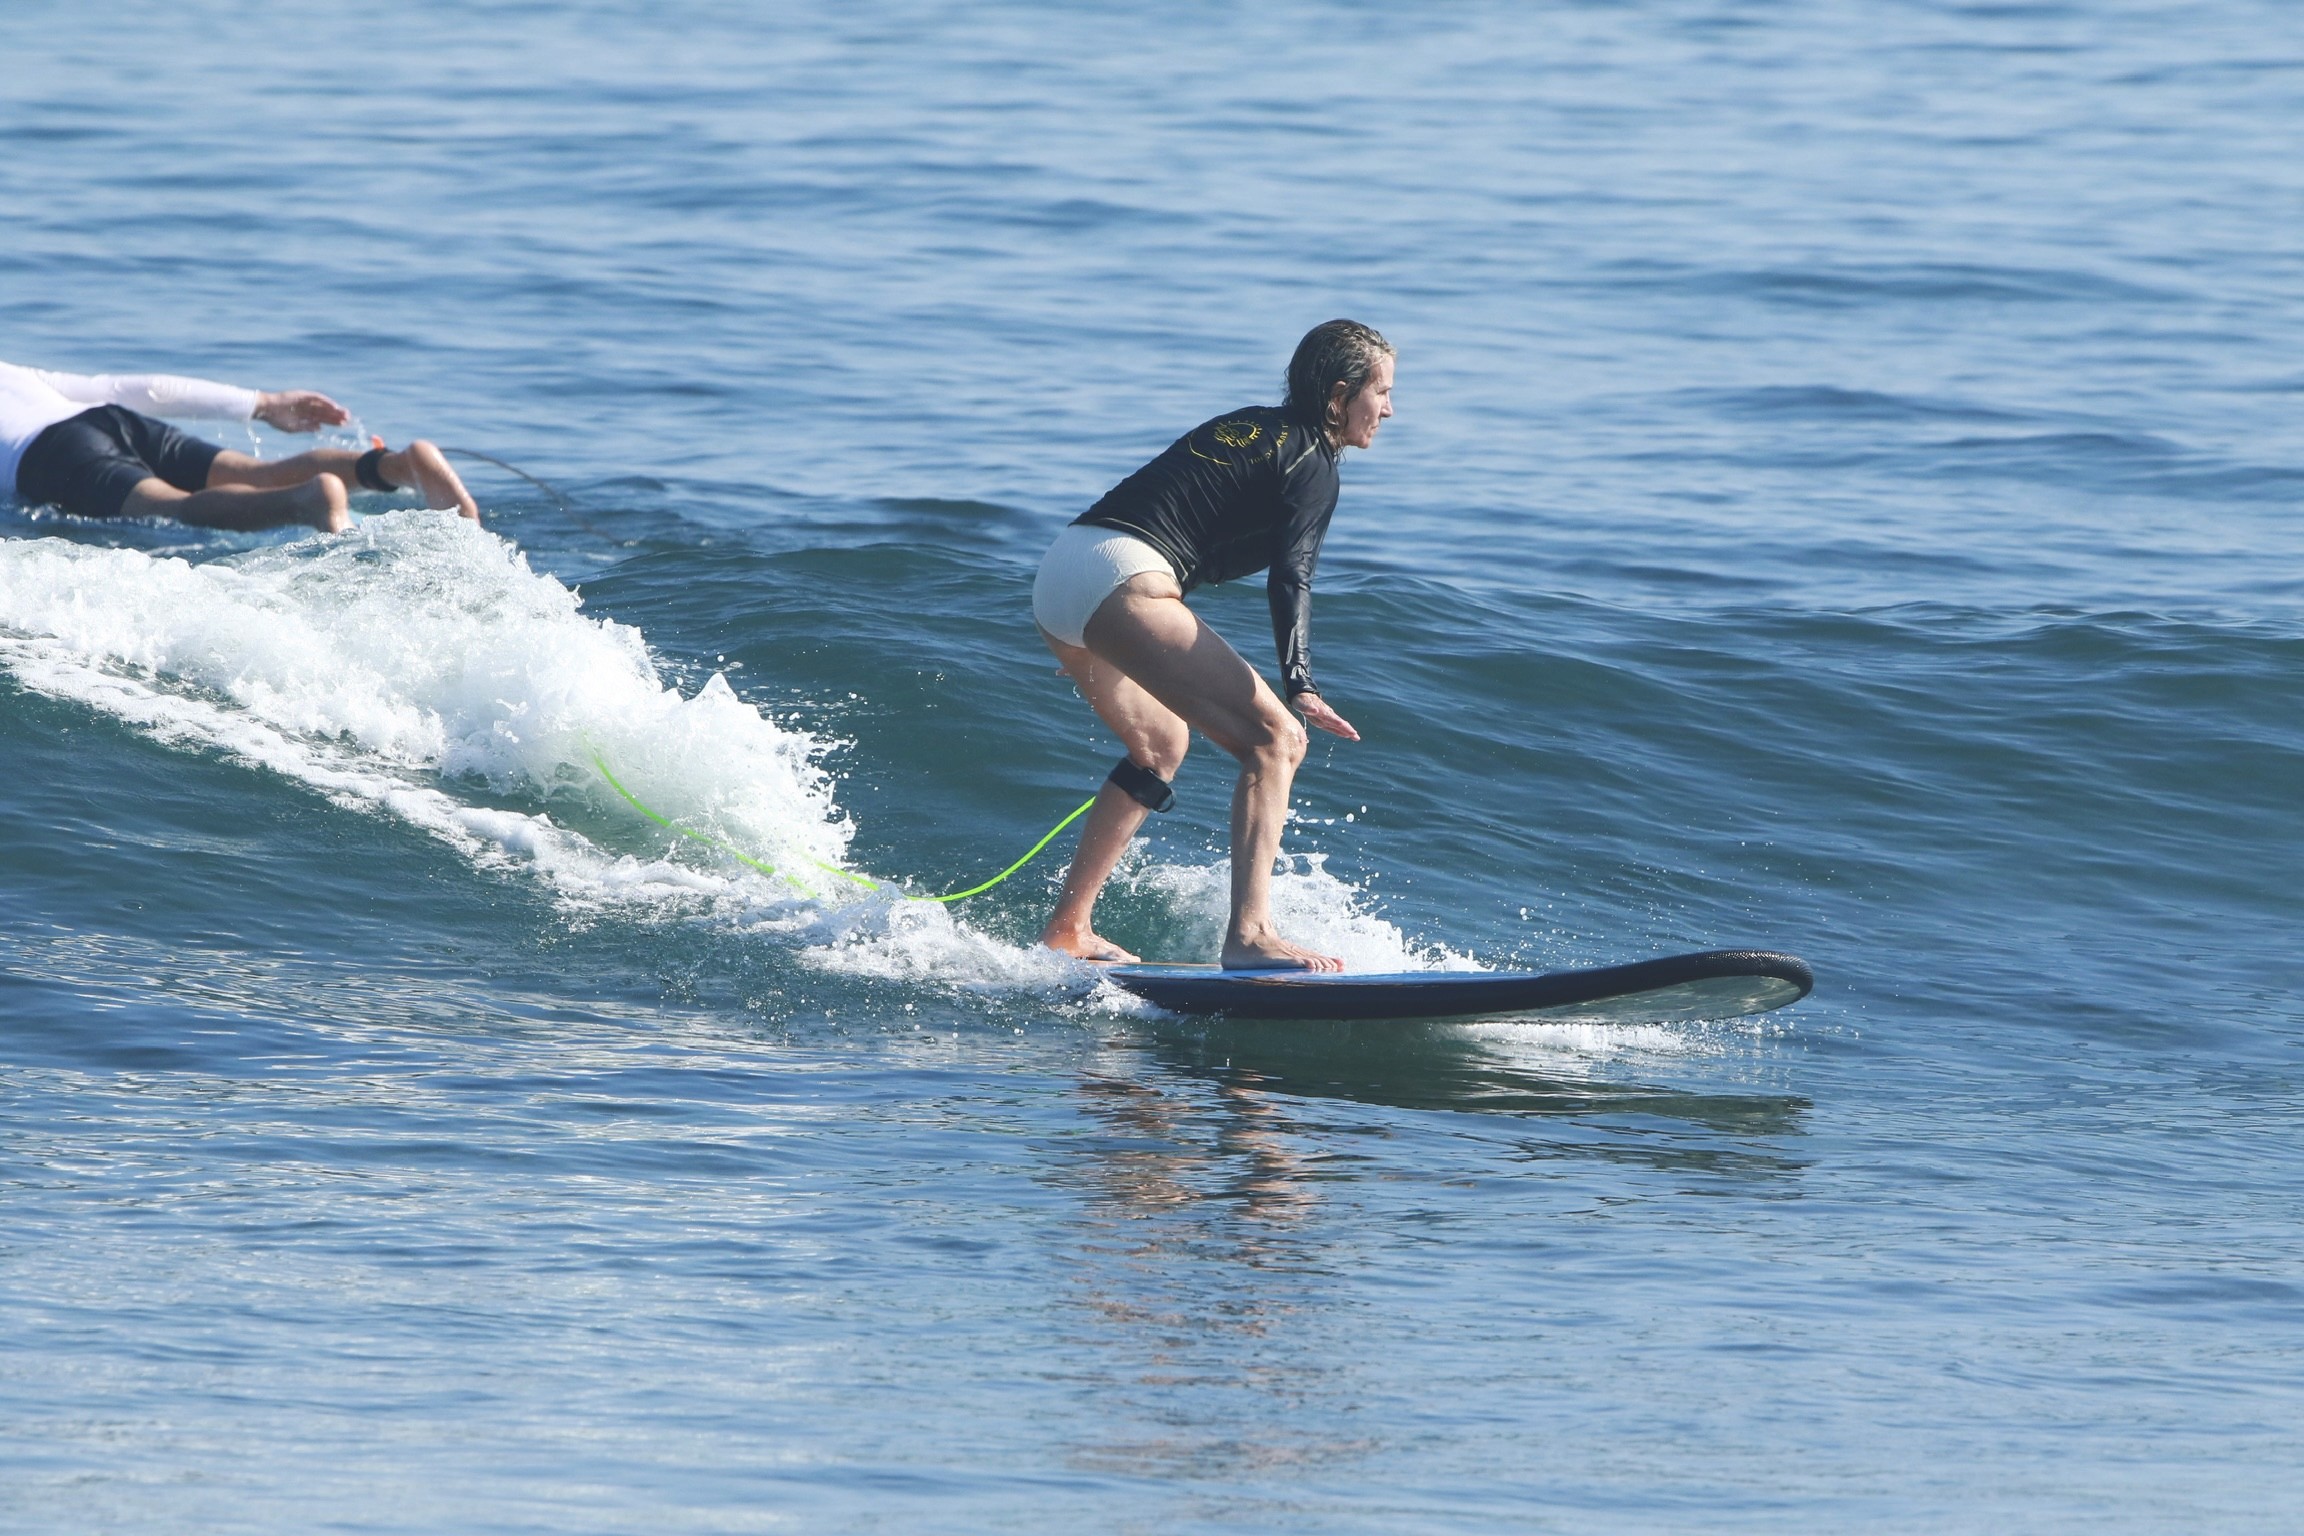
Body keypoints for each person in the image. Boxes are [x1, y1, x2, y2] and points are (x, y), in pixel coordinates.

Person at [1032, 319, 1394, 971]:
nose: (1389, 409)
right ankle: (1250, 935)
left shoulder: (1249, 425)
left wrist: (1112, 631)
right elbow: (1293, 575)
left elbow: (1178, 514)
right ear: (1341, 396)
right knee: (1278, 740)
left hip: (1067, 568)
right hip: (1123, 581)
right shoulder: (1314, 463)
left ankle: (1068, 928)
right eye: (1382, 392)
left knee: (1160, 746)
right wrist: (1301, 683)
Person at [2, 358, 479, 533]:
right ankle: (395, 466)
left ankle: (308, 499)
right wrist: (262, 403)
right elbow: (134, 389)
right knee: (256, 473)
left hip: (47, 456)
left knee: (173, 507)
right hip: (107, 418)